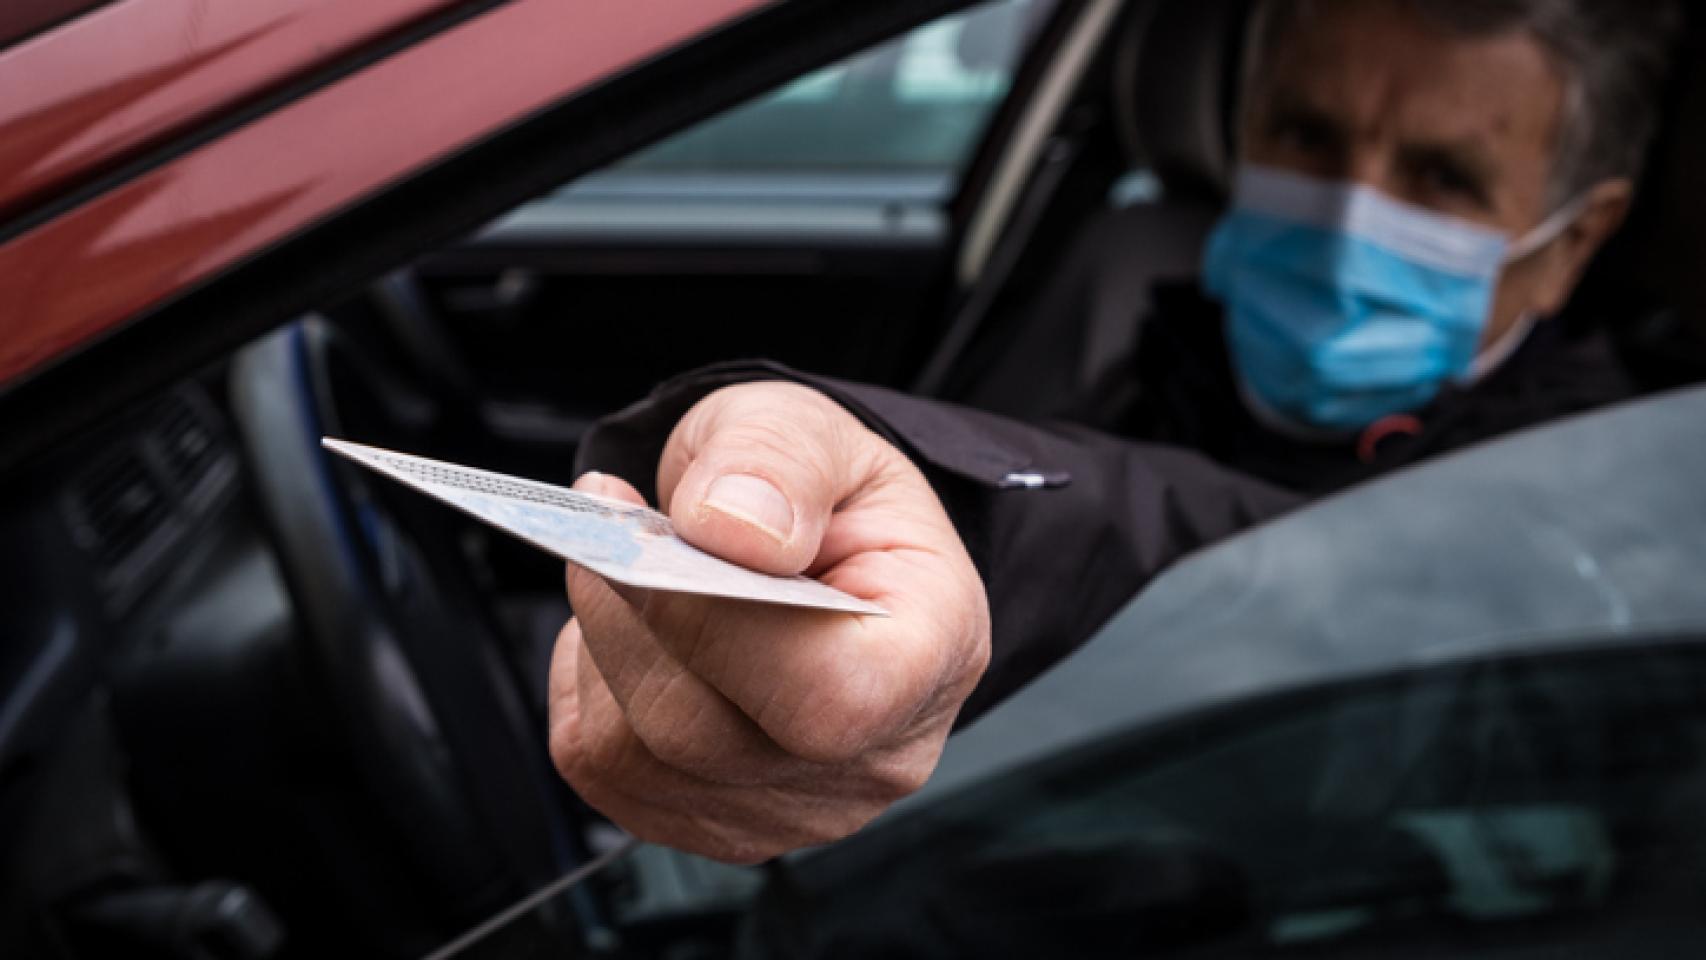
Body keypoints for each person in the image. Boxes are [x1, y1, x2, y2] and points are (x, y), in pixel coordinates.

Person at [548, 0, 1681, 864]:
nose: (1347, 212)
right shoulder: (1141, 306)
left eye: (1438, 178)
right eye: (1306, 133)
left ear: (1578, 238)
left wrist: (947, 511)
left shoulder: (1611, 504)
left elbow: (1303, 561)